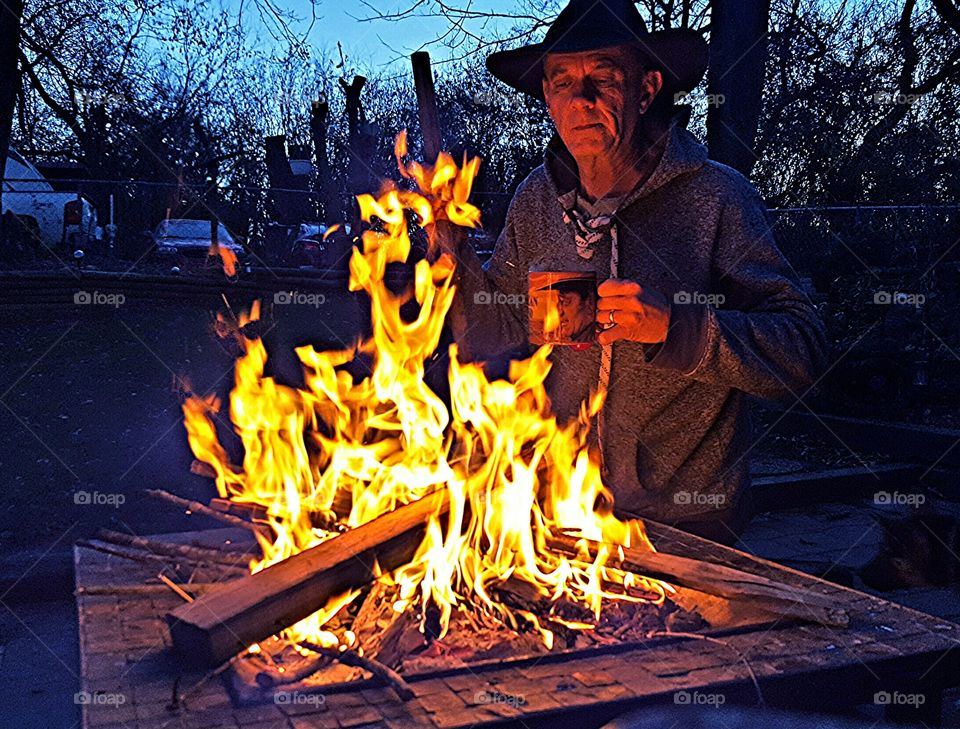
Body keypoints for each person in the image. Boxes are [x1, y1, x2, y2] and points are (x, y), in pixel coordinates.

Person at [447, 0, 828, 545]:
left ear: (646, 89)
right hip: (566, 511)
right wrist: (449, 250)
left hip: (691, 521)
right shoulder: (536, 199)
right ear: (548, 100)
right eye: (562, 82)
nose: (581, 99)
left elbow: (802, 352)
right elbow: (496, 330)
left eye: (603, 77)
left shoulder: (715, 197)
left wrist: (676, 328)